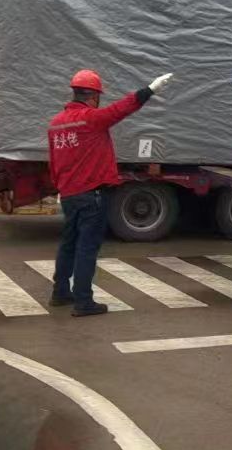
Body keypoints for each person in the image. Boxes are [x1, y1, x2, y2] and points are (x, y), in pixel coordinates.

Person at [48, 68, 173, 317]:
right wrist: (150, 89)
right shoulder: (92, 119)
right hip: (92, 194)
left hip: (69, 194)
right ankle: (83, 301)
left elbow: (53, 162)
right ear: (94, 96)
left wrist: (60, 188)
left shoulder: (55, 124)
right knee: (87, 248)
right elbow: (122, 108)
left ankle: (60, 292)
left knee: (68, 244)